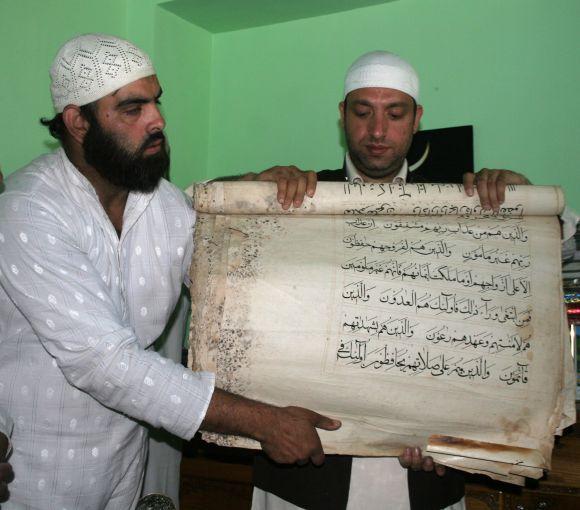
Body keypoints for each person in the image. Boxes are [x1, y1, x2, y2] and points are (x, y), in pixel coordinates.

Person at [0, 33, 341, 509]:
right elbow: (103, 363)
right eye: (132, 109)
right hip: (34, 477)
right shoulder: (29, 209)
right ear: (78, 122)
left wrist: (253, 202)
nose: (158, 120)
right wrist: (265, 421)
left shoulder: (160, 203)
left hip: (124, 470)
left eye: (156, 102)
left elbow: (234, 290)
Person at [246, 51, 532, 510]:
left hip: (423, 480)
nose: (377, 131)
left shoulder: (460, 210)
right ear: (342, 116)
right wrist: (247, 187)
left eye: (394, 113)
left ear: (416, 119)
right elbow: (190, 227)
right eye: (362, 112)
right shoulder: (294, 200)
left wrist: (529, 204)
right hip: (303, 477)